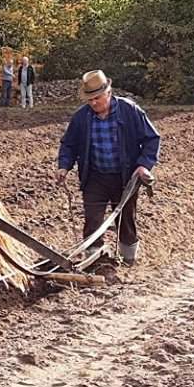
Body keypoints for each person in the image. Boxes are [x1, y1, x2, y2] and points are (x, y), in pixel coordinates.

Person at [56, 70, 161, 265]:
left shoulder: (130, 111)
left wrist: (144, 165)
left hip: (125, 177)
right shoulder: (81, 117)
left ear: (109, 92)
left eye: (97, 98)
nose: (94, 103)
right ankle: (94, 262)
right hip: (94, 177)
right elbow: (69, 144)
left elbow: (151, 139)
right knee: (93, 221)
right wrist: (64, 166)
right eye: (90, 99)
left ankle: (128, 260)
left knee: (125, 221)